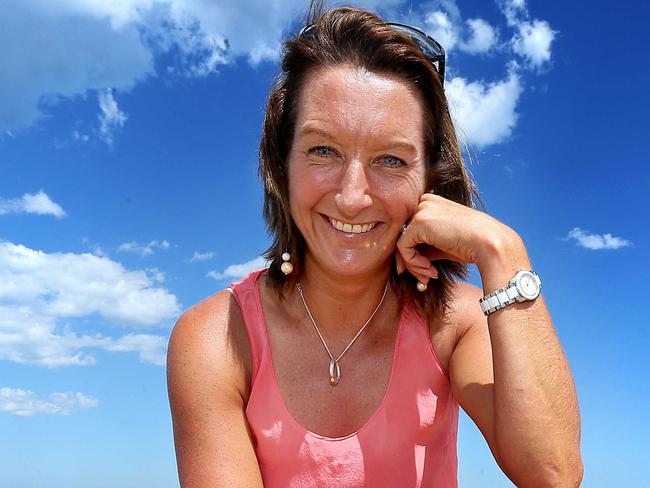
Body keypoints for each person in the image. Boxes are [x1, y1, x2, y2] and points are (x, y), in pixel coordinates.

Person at [167, 3, 583, 487]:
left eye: (390, 160)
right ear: (282, 163)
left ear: (431, 178)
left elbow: (553, 472)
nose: (351, 197)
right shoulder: (215, 339)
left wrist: (503, 249)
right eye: (323, 150)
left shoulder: (457, 324)